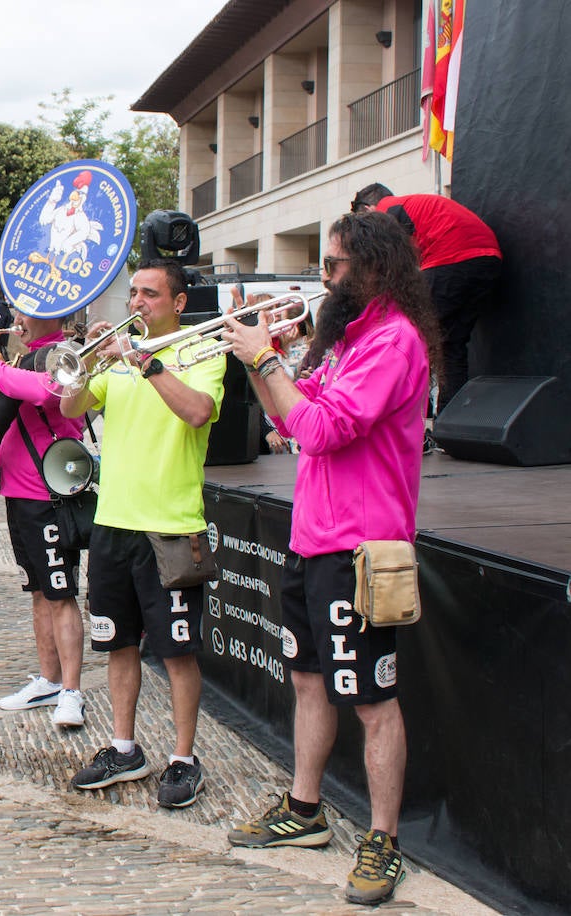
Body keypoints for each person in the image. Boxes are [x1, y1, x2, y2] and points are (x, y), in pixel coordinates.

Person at [220, 211, 439, 906]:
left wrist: (266, 357)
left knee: (373, 702)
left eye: (335, 265)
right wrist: (257, 358)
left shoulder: (393, 342)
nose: (325, 277)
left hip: (361, 548)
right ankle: (305, 809)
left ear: (374, 266)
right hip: (314, 538)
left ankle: (383, 840)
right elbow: (291, 421)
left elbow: (321, 427)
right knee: (309, 681)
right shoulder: (348, 340)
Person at [59, 259, 225, 810]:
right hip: (113, 523)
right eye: (133, 293)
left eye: (149, 294)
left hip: (171, 527)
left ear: (178, 303)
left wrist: (147, 364)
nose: (136, 303)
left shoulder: (200, 351)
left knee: (177, 652)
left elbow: (198, 412)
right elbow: (71, 406)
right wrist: (81, 370)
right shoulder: (120, 352)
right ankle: (124, 746)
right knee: (117, 642)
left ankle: (183, 758)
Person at [0, 310, 88, 727]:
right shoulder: (19, 361)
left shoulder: (66, 352)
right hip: (18, 494)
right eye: (17, 316)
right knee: (39, 593)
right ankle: (50, 680)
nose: (17, 324)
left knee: (61, 594)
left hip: (50, 494)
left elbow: (48, 394)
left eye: (25, 318)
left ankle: (72, 691)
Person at [350, 183, 500, 414]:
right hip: (488, 260)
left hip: (452, 259)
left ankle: (404, 417)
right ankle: (449, 419)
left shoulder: (387, 208)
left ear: (368, 208)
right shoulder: (416, 208)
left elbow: (390, 263)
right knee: (451, 344)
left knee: (404, 336)